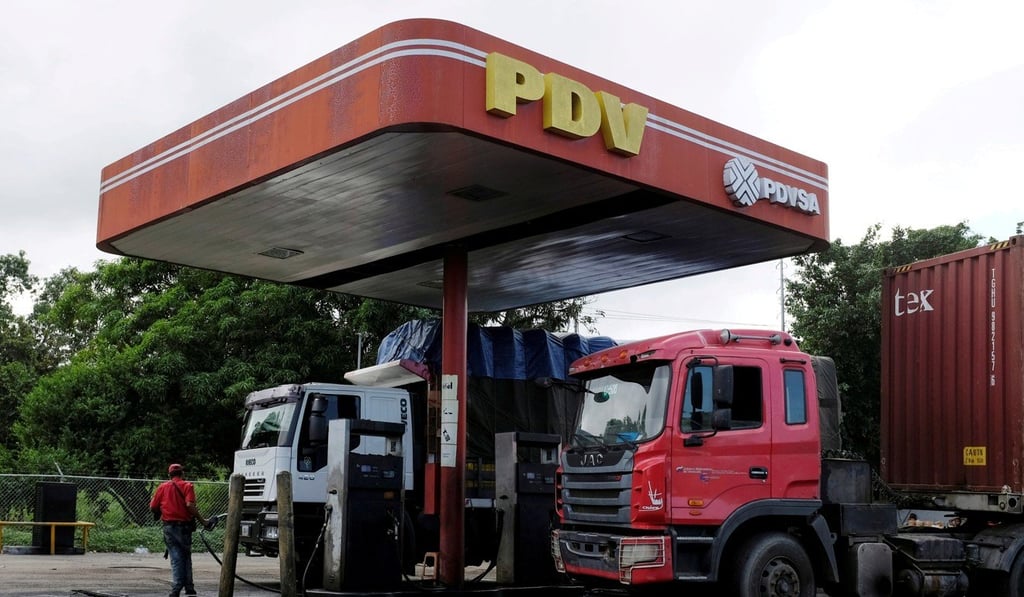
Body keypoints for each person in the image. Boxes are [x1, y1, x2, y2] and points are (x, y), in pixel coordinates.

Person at [150, 463, 210, 597]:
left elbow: (153, 507)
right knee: (186, 556)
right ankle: (189, 587)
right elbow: (189, 505)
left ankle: (176, 588)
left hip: (169, 527)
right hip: (185, 527)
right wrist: (203, 521)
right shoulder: (188, 486)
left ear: (169, 475)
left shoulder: (162, 487)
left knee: (176, 557)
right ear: (182, 473)